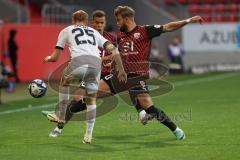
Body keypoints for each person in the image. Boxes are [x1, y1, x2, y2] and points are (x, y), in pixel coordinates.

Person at [46, 6, 204, 141]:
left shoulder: (144, 31)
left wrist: (188, 20)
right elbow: (109, 50)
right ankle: (60, 125)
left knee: (150, 107)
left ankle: (175, 129)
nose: (117, 22)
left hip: (137, 76)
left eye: (119, 19)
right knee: (88, 97)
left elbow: (168, 27)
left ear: (127, 19)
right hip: (119, 76)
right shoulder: (119, 36)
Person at [44, 10, 150, 139]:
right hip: (94, 71)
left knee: (125, 83)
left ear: (104, 23)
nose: (99, 25)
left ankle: (141, 111)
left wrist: (106, 61)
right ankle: (59, 127)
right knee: (77, 98)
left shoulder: (111, 38)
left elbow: (119, 54)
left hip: (106, 73)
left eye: (102, 23)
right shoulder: (91, 35)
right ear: (92, 23)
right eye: (97, 23)